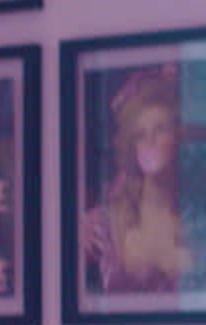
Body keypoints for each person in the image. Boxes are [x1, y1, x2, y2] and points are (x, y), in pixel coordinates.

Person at [81, 66, 190, 298]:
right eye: (140, 134)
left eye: (160, 129)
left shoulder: (200, 217)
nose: (149, 140)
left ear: (178, 136)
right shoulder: (104, 221)